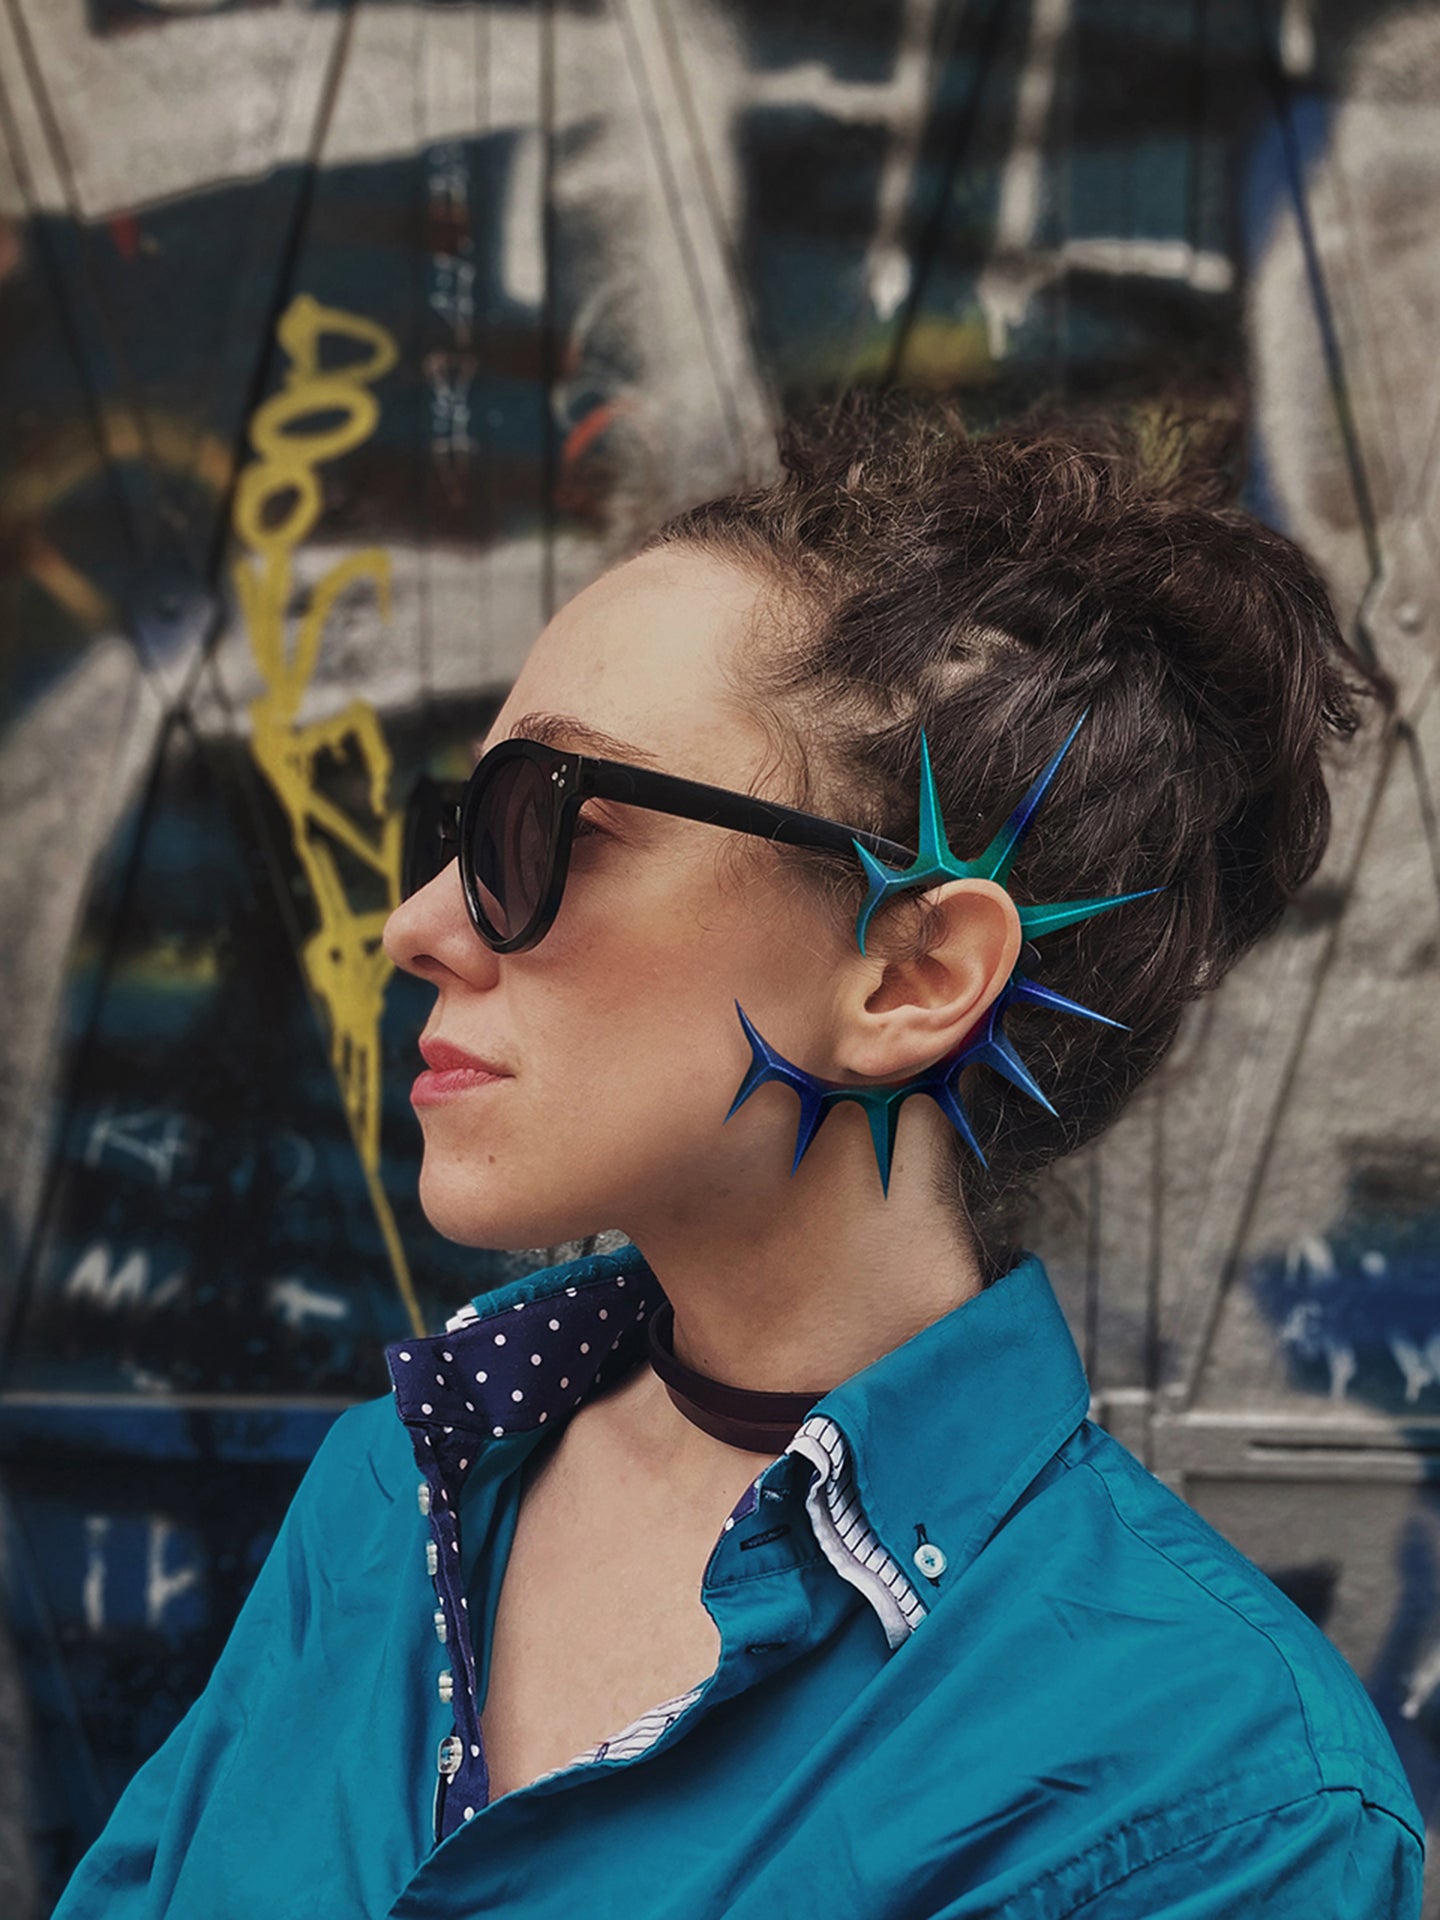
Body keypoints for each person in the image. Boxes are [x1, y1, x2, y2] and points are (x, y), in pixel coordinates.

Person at [54, 392, 1422, 1917]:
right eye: (460, 825)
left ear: (908, 976)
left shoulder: (1217, 1804)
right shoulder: (400, 1488)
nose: (418, 925)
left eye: (547, 826)